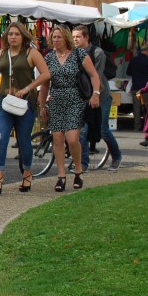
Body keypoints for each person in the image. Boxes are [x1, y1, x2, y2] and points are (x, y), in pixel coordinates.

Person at [0, 22, 50, 195]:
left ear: (23, 36)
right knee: (1, 138)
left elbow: (46, 74)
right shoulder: (0, 54)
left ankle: (27, 173)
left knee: (24, 140)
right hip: (5, 101)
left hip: (25, 102)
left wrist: (27, 88)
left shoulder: (31, 53)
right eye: (10, 34)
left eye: (17, 34)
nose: (13, 37)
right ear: (6, 36)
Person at [38, 25, 100, 192]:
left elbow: (94, 75)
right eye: (54, 37)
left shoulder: (79, 54)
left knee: (72, 139)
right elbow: (45, 84)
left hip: (75, 98)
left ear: (66, 38)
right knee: (57, 138)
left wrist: (96, 93)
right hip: (56, 99)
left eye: (59, 37)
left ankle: (78, 170)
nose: (56, 40)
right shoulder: (49, 57)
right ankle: (61, 175)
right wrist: (42, 105)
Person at [72, 25, 123, 172]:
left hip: (101, 95)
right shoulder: (73, 53)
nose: (75, 39)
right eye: (73, 37)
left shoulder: (97, 52)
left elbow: (97, 76)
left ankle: (116, 156)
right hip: (83, 95)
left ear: (86, 37)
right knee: (82, 130)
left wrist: (95, 95)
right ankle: (83, 164)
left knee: (103, 129)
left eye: (78, 37)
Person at [127, 44, 148, 132]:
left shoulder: (133, 60)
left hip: (135, 88)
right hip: (146, 89)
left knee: (136, 108)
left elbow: (128, 72)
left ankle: (136, 127)